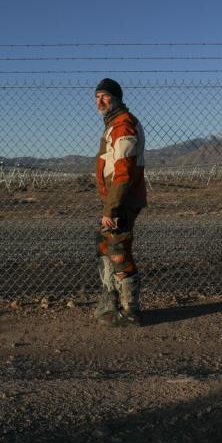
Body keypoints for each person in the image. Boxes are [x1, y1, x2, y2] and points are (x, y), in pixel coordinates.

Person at [93, 78, 147, 327]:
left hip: (121, 201)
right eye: (97, 97)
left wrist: (111, 208)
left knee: (118, 250)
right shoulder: (113, 125)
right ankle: (111, 303)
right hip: (115, 199)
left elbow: (124, 173)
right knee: (105, 245)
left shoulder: (123, 125)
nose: (99, 101)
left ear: (116, 98)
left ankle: (130, 311)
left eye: (105, 96)